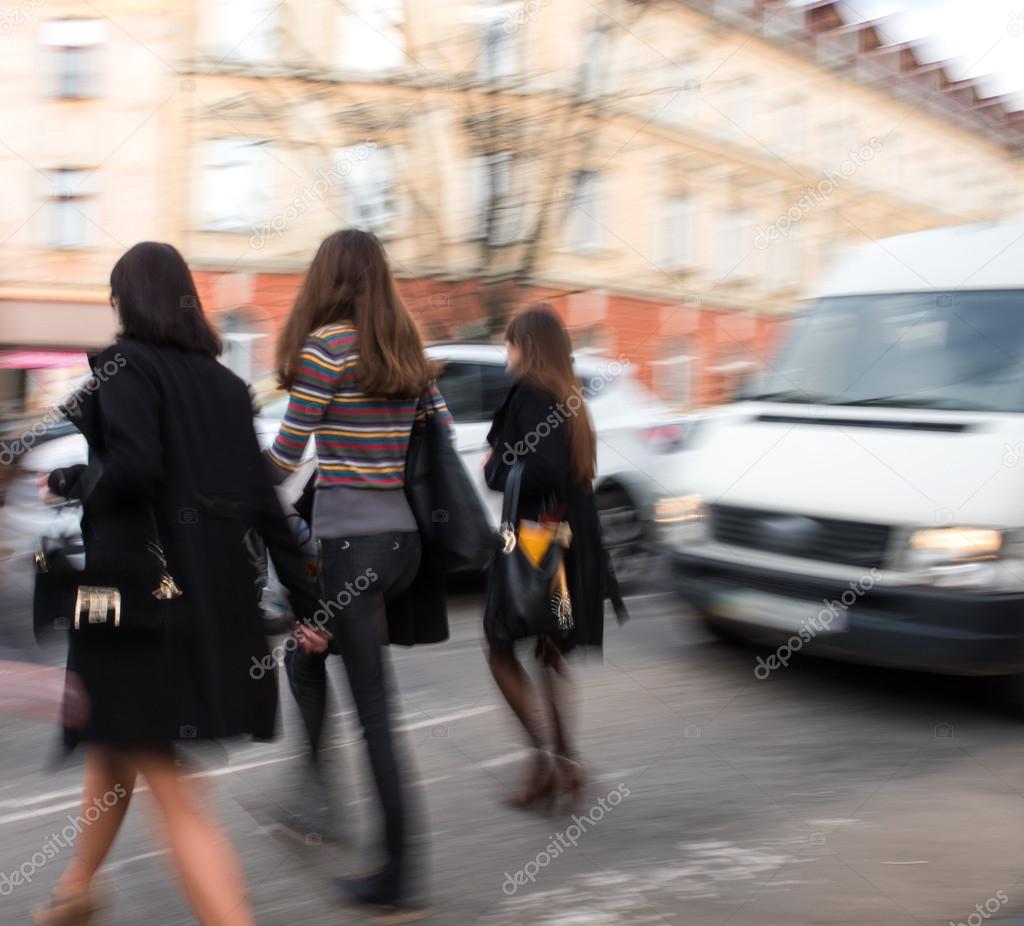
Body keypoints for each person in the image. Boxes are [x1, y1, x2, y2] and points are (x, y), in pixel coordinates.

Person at [33, 242, 320, 926]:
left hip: (137, 612)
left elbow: (133, 467)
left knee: (170, 784)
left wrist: (80, 481)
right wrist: (310, 602)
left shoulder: (126, 366)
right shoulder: (222, 385)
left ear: (128, 302)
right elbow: (262, 498)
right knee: (115, 745)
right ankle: (76, 892)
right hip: (209, 605)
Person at [267, 228, 453, 911]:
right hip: (402, 547)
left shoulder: (326, 347)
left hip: (351, 551)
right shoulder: (405, 352)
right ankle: (316, 802)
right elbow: (444, 434)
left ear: (328, 279)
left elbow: (286, 457)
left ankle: (396, 875)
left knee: (375, 715)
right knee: (309, 652)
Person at [483, 304, 627, 810]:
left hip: (534, 542)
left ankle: (547, 760)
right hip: (568, 542)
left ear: (528, 347)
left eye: (510, 341)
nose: (506, 350)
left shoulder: (531, 395)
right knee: (548, 650)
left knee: (499, 646)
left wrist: (495, 468)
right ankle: (563, 764)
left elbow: (537, 472)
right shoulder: (570, 399)